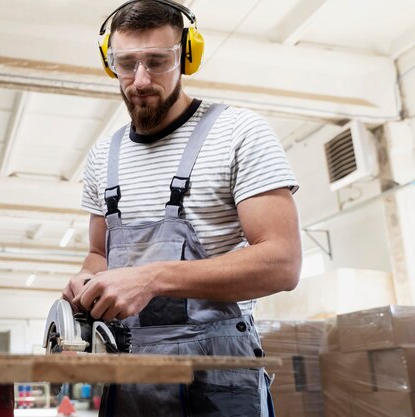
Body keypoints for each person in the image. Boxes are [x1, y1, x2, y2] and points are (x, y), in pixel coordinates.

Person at [61, 1, 302, 416]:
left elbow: (283, 263)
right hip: (130, 375)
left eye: (157, 61)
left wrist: (152, 278)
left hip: (220, 375)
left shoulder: (239, 133)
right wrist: (87, 280)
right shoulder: (103, 156)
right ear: (109, 63)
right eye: (126, 63)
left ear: (187, 56)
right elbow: (99, 254)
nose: (139, 80)